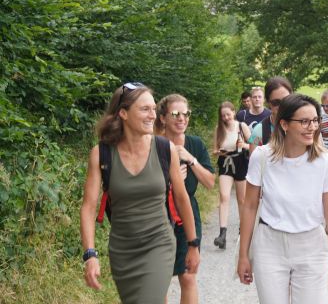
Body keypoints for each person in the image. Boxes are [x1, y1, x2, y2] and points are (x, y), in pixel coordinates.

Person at [80, 83, 200, 304]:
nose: (152, 115)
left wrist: (193, 244)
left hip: (159, 244)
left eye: (154, 109)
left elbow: (182, 199)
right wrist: (90, 254)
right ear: (123, 113)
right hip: (122, 252)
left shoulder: (165, 149)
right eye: (145, 109)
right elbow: (88, 207)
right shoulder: (101, 154)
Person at [237, 94, 328, 303]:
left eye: (315, 120)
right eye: (304, 121)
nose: (312, 127)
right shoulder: (261, 157)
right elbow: (250, 207)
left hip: (312, 248)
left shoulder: (325, 162)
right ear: (284, 124)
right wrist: (243, 255)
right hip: (270, 246)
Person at [155, 94, 215, 304]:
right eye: (175, 114)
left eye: (186, 114)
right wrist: (171, 179)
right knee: (160, 279)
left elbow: (210, 182)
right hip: (158, 214)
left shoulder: (195, 144)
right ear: (163, 118)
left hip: (187, 213)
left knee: (189, 275)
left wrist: (191, 160)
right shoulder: (153, 143)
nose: (182, 118)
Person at [213, 101, 252, 249]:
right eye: (223, 115)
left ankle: (244, 232)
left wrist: (244, 145)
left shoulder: (242, 126)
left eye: (228, 114)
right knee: (224, 196)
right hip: (225, 162)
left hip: (241, 161)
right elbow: (214, 149)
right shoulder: (219, 129)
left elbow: (255, 145)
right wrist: (219, 151)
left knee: (242, 200)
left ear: (234, 112)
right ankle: (222, 234)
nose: (226, 118)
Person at [248, 77, 293, 151]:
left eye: (286, 100)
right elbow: (254, 160)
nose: (282, 106)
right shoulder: (259, 132)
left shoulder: (301, 124)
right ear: (268, 103)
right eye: (276, 103)